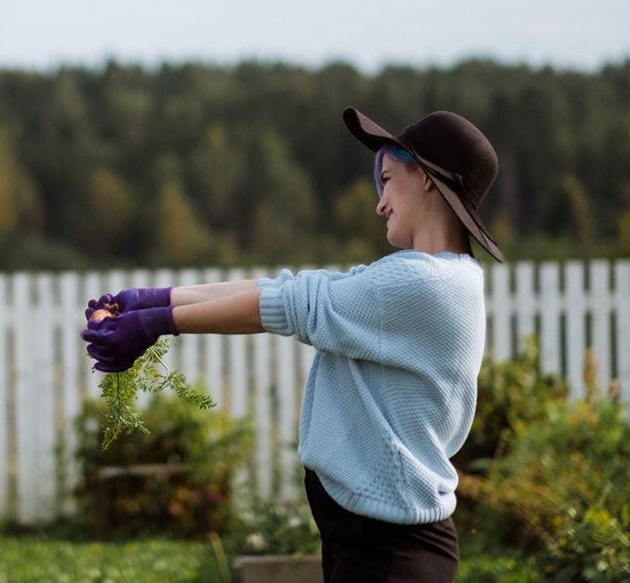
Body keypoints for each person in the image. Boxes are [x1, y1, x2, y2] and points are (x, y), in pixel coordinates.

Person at [82, 107, 503, 582]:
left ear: (427, 179)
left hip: (390, 552)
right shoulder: (431, 279)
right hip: (374, 541)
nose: (380, 202)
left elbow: (286, 305)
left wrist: (158, 322)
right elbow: (287, 291)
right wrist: (151, 302)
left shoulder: (421, 284)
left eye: (386, 179)